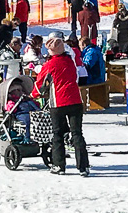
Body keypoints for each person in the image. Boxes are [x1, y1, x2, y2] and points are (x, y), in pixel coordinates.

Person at [33, 36, 89, 176]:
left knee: (57, 134)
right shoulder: (69, 61)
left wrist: (34, 94)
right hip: (75, 100)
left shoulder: (50, 65)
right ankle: (83, 166)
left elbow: (40, 84)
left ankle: (59, 165)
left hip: (58, 102)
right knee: (77, 133)